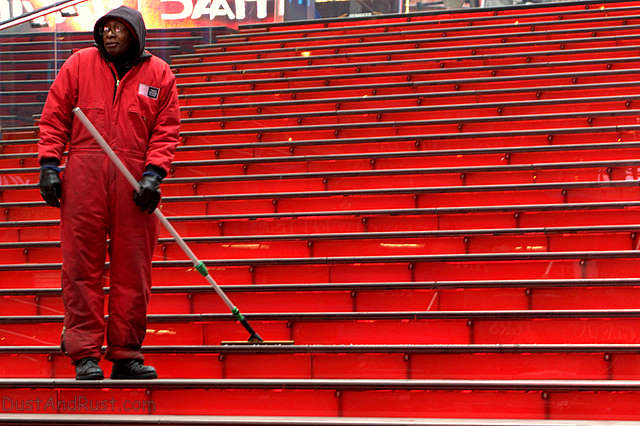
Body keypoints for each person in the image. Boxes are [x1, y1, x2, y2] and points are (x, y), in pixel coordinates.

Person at [37, 6, 180, 380]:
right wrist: (49, 165)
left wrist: (153, 174)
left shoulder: (159, 73)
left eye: (119, 29)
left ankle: (125, 353)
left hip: (134, 181)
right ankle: (84, 353)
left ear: (136, 34)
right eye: (106, 29)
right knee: (80, 267)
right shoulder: (79, 64)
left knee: (133, 270)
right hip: (84, 176)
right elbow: (54, 116)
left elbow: (166, 130)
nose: (110, 35)